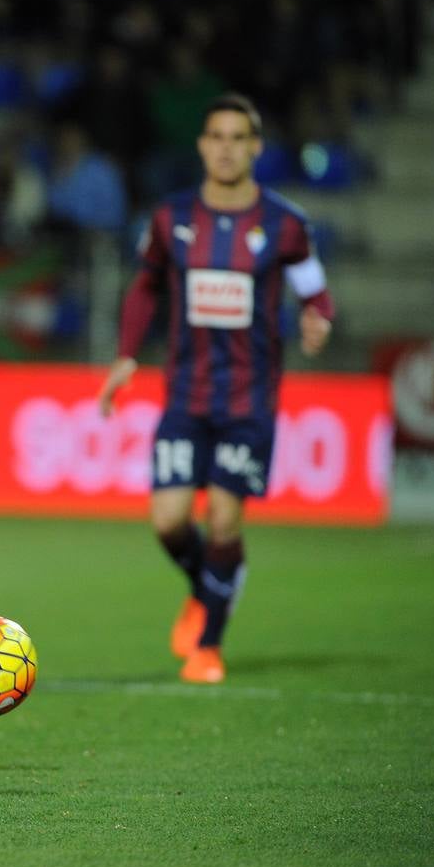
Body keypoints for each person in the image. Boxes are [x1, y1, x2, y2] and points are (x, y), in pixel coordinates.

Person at [97, 93, 334, 685]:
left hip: (250, 400)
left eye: (238, 138)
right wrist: (127, 354)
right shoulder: (170, 218)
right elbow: (145, 287)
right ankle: (210, 583)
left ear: (255, 147)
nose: (226, 148)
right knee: (169, 522)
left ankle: (209, 645)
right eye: (216, 137)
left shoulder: (285, 224)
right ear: (202, 145)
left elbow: (316, 292)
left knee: (225, 522)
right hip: (186, 395)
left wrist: (318, 320)